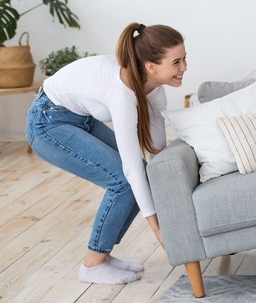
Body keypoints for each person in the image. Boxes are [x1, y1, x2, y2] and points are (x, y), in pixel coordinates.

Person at [25, 23, 187, 285]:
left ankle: (103, 256)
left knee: (140, 179)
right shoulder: (122, 92)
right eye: (176, 62)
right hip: (47, 122)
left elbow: (156, 153)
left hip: (79, 119)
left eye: (184, 59)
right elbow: (131, 168)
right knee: (124, 182)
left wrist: (170, 204)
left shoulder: (155, 89)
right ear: (151, 67)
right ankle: (92, 265)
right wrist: (159, 230)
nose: (184, 68)